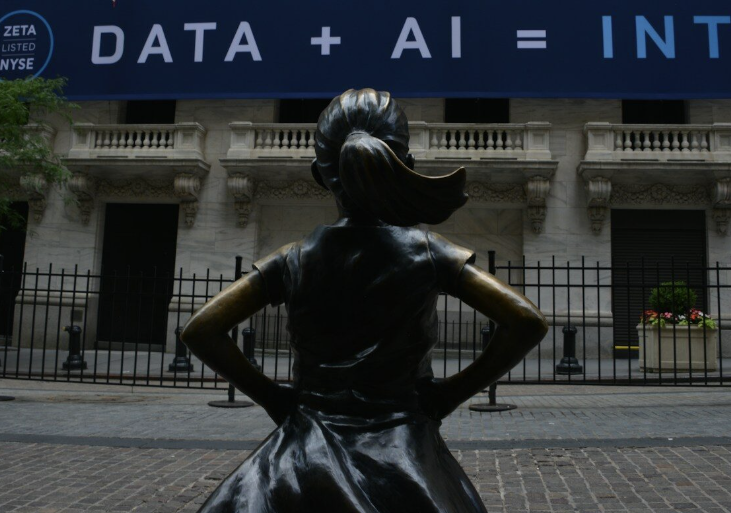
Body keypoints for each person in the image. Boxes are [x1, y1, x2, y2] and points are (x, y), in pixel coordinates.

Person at [182, 89, 548, 513]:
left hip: (303, 447)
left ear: (320, 174)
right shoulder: (429, 252)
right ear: (407, 163)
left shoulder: (292, 259)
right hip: (400, 446)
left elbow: (201, 329)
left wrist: (274, 399)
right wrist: (448, 396)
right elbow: (526, 320)